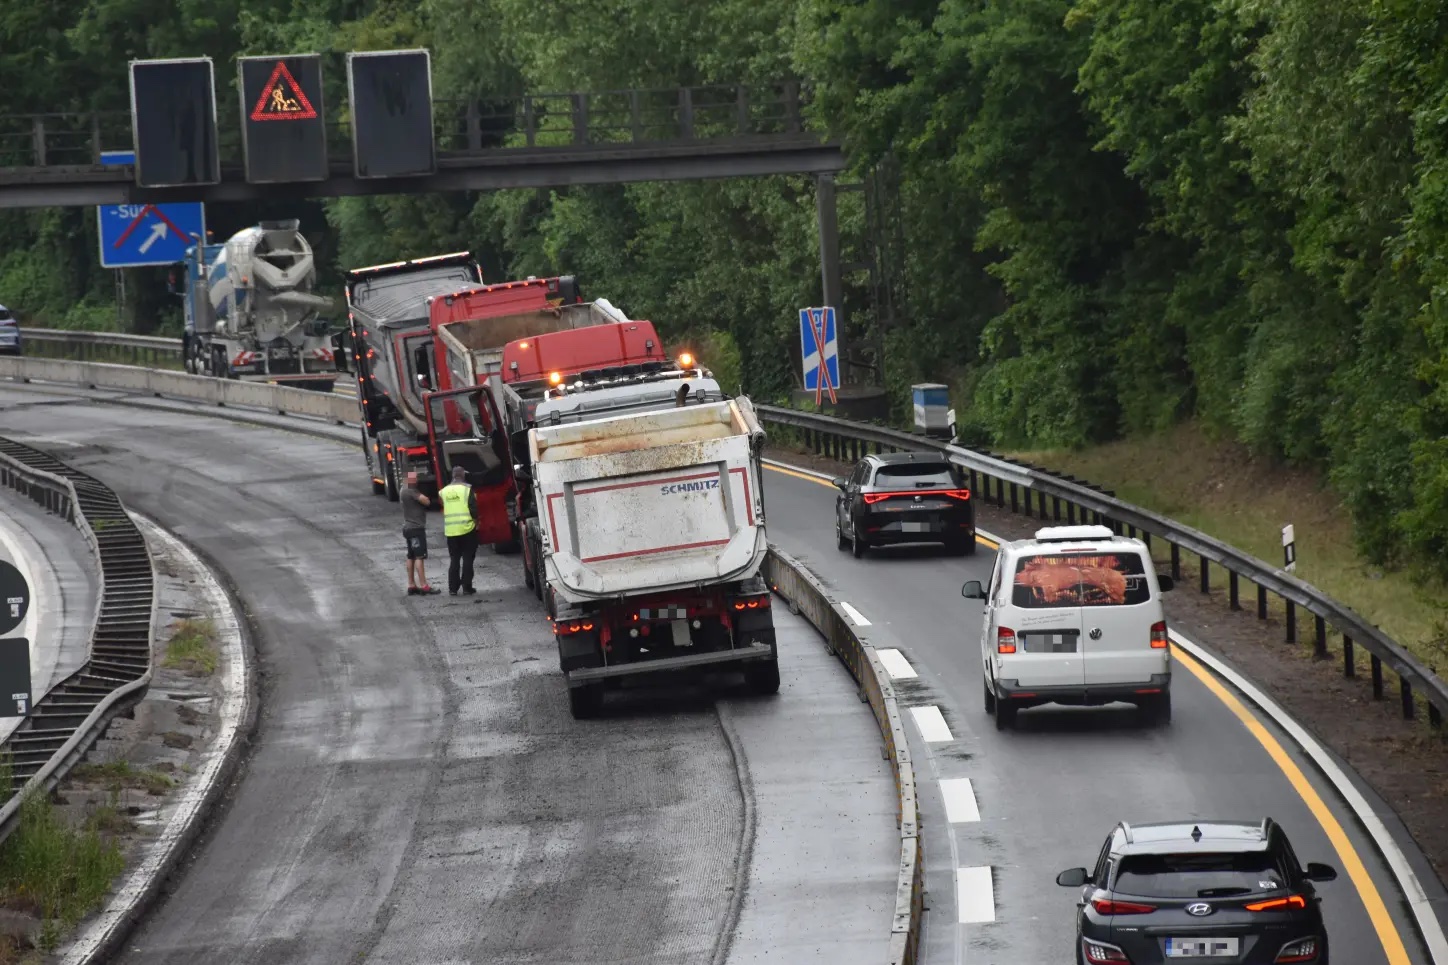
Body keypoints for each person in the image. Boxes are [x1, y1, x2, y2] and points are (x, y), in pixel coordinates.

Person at [438, 465, 479, 596]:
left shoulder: (443, 491)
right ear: (463, 475)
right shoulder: (467, 490)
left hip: (451, 531)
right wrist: (476, 522)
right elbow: (473, 509)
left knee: (454, 559)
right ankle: (467, 588)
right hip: (467, 528)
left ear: (453, 476)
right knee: (467, 558)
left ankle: (453, 588)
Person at [402, 471, 440, 596]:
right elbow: (426, 501)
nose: (417, 481)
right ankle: (424, 585)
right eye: (415, 479)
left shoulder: (403, 490)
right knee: (419, 556)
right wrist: (426, 497)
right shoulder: (412, 491)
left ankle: (411, 584)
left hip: (408, 527)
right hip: (416, 528)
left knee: (411, 556)